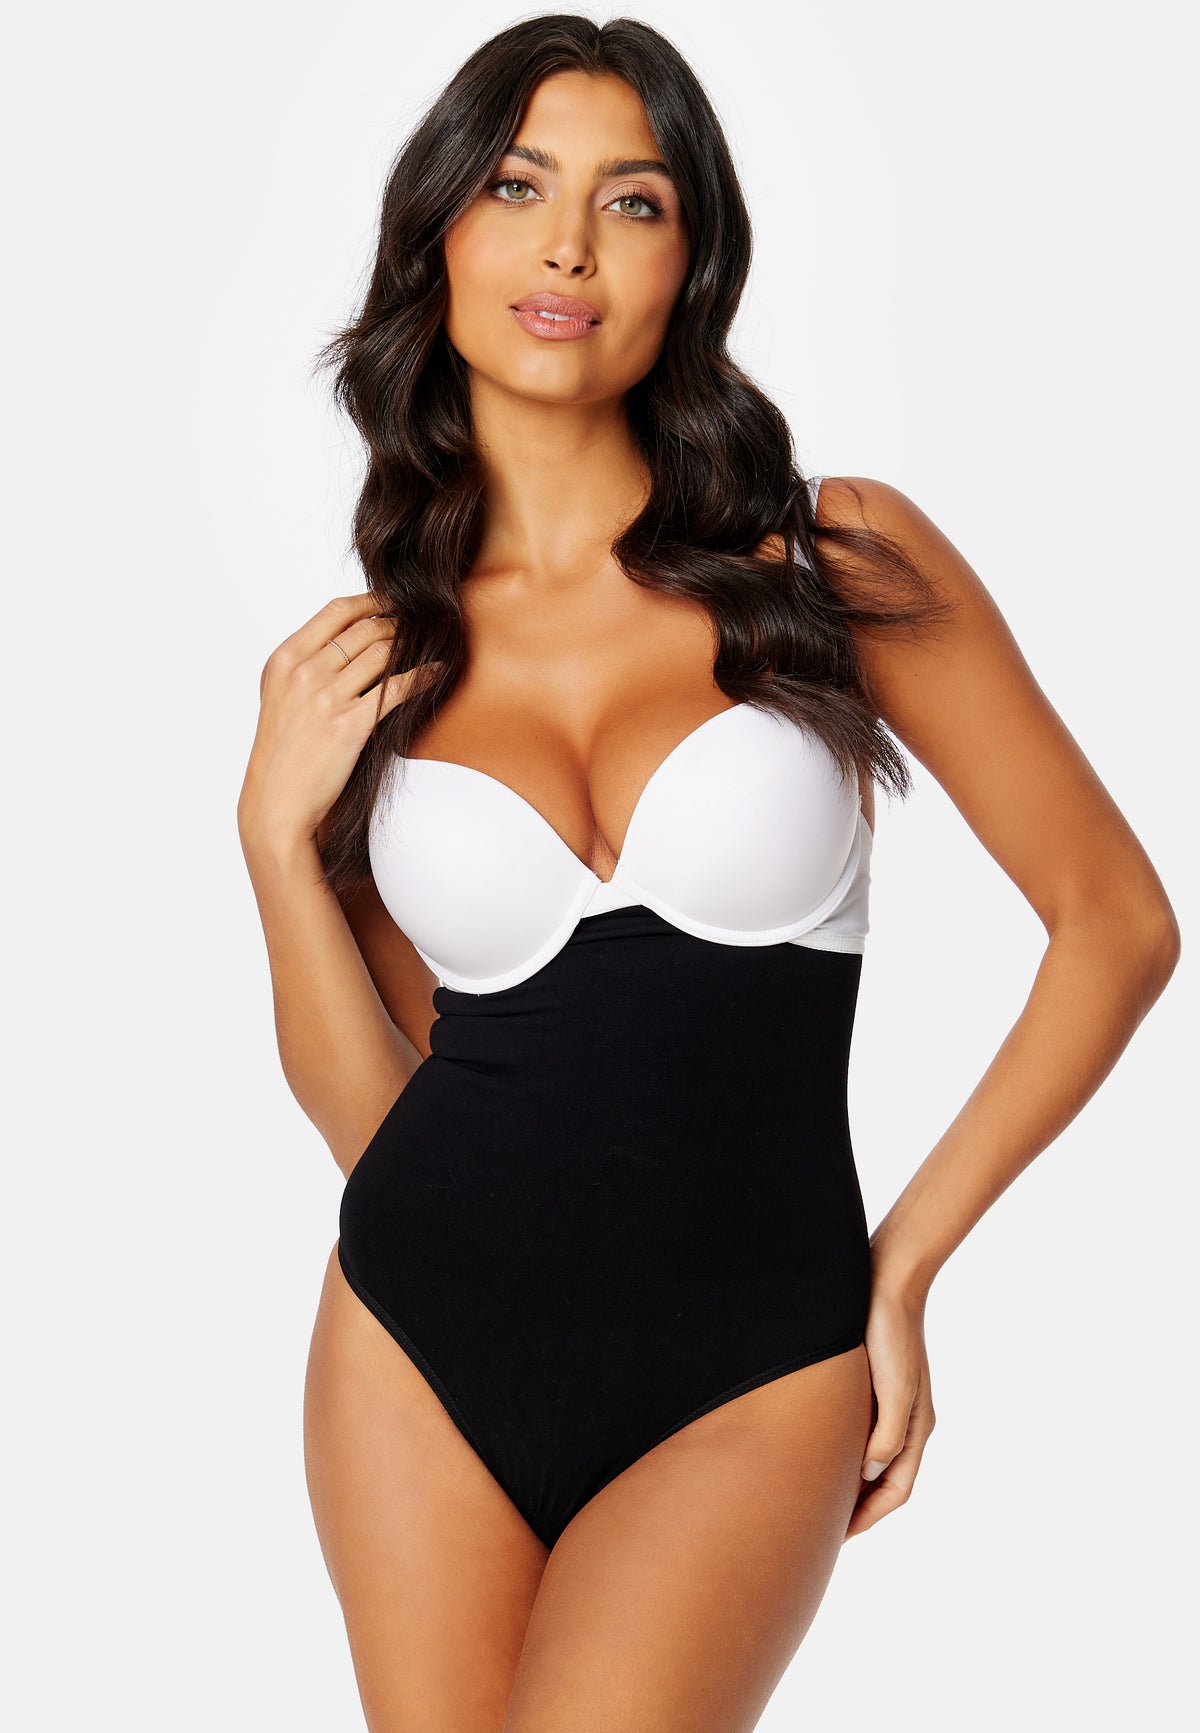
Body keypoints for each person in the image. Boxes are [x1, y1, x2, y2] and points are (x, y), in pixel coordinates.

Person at [237, 14, 1180, 1731]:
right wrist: (273, 854)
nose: (567, 248)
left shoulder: (831, 558)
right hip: (415, 1341)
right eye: (516, 187)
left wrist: (902, 1265)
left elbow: (1115, 923)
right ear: (438, 233)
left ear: (694, 262)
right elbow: (381, 1118)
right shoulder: (377, 661)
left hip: (752, 1358)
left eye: (633, 201)